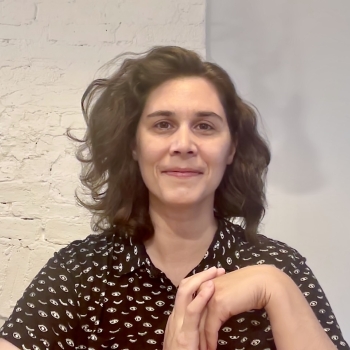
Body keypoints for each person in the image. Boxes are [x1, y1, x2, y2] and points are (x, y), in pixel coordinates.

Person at [0, 46, 348, 350]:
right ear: (135, 146)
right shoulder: (79, 271)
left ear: (231, 149)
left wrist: (275, 287)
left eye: (205, 126)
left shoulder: (280, 267)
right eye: (163, 125)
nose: (183, 145)